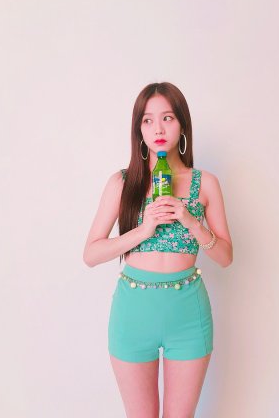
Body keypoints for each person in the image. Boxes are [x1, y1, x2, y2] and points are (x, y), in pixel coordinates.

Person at [83, 82, 233, 417]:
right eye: (148, 120)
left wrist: (192, 222)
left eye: (167, 118)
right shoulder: (123, 183)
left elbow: (225, 256)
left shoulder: (205, 183)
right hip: (133, 312)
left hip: (188, 311)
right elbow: (91, 254)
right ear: (139, 130)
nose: (159, 129)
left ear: (182, 124)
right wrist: (143, 229)